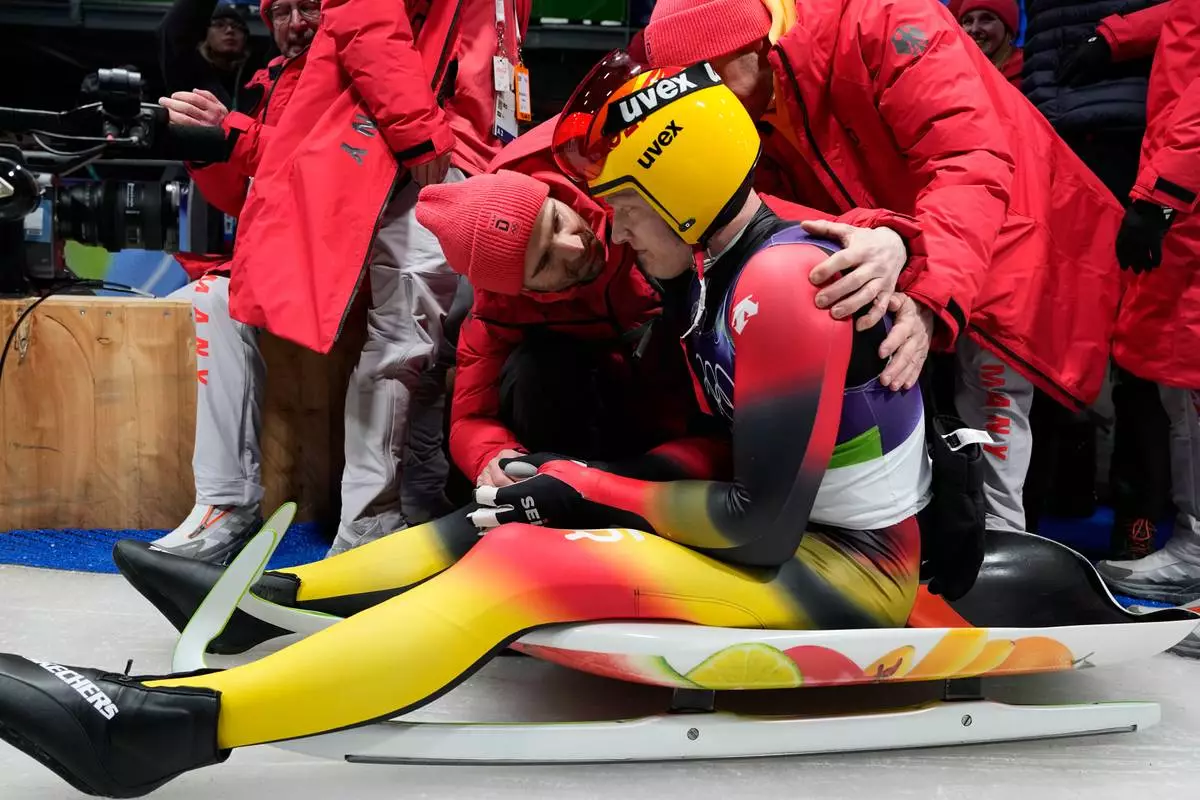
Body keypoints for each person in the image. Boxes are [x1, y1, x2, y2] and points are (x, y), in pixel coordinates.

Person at [0, 61, 932, 798]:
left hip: (841, 566)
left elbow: (758, 525)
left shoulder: (774, 287)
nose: (613, 225)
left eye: (629, 205)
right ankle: (259, 613)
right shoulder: (711, 269)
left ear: (681, 200)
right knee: (518, 508)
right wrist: (556, 480)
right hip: (804, 526)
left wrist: (589, 489)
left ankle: (169, 726)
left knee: (519, 565)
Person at [641, 0, 1126, 541]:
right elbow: (773, 209)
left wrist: (919, 277)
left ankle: (999, 571)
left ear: (757, 44)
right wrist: (889, 234)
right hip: (920, 247)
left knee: (991, 409)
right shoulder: (745, 107)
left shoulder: (887, 18)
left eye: (707, 76)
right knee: (934, 413)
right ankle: (947, 557)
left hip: (1009, 235)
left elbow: (971, 162)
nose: (701, 98)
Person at [438, 117, 927, 491]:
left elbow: (768, 221)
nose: (574, 246)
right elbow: (468, 418)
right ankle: (565, 494)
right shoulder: (499, 309)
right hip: (612, 422)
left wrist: (889, 237)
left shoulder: (625, 185)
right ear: (520, 290)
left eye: (558, 221)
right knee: (535, 369)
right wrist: (491, 460)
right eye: (545, 261)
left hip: (709, 417)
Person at [216, 0, 532, 556]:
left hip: (474, 156)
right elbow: (367, 16)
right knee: (404, 342)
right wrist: (420, 132)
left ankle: (413, 507)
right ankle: (367, 525)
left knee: (435, 347)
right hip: (426, 149)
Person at [145, 0, 319, 563]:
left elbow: (321, 174)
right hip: (288, 253)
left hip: (352, 260)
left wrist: (231, 132)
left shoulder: (351, 72)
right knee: (182, 302)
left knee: (218, 298)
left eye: (310, 8)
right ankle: (219, 501)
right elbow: (243, 195)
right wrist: (207, 146)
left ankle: (228, 503)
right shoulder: (274, 79)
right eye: (282, 11)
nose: (295, 23)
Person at [1024, 0, 1173, 556]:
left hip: (1123, 136)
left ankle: (1138, 529)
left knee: (1139, 354)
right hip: (1055, 141)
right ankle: (1032, 520)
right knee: (1044, 340)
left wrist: (1117, 37)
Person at [1094, 0, 1200, 608]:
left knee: (1190, 392)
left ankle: (1195, 551)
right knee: (1178, 387)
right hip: (1180, 189)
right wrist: (1113, 37)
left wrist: (1162, 195)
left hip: (1184, 194)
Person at [158, 0, 261, 112]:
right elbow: (172, 31)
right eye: (219, 24)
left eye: (237, 26)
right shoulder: (189, 70)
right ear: (205, 34)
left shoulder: (259, 76)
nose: (230, 30)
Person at [956, 0, 1023, 87]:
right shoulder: (953, 74)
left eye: (986, 19)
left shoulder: (1027, 77)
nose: (974, 29)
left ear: (1007, 28)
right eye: (968, 21)